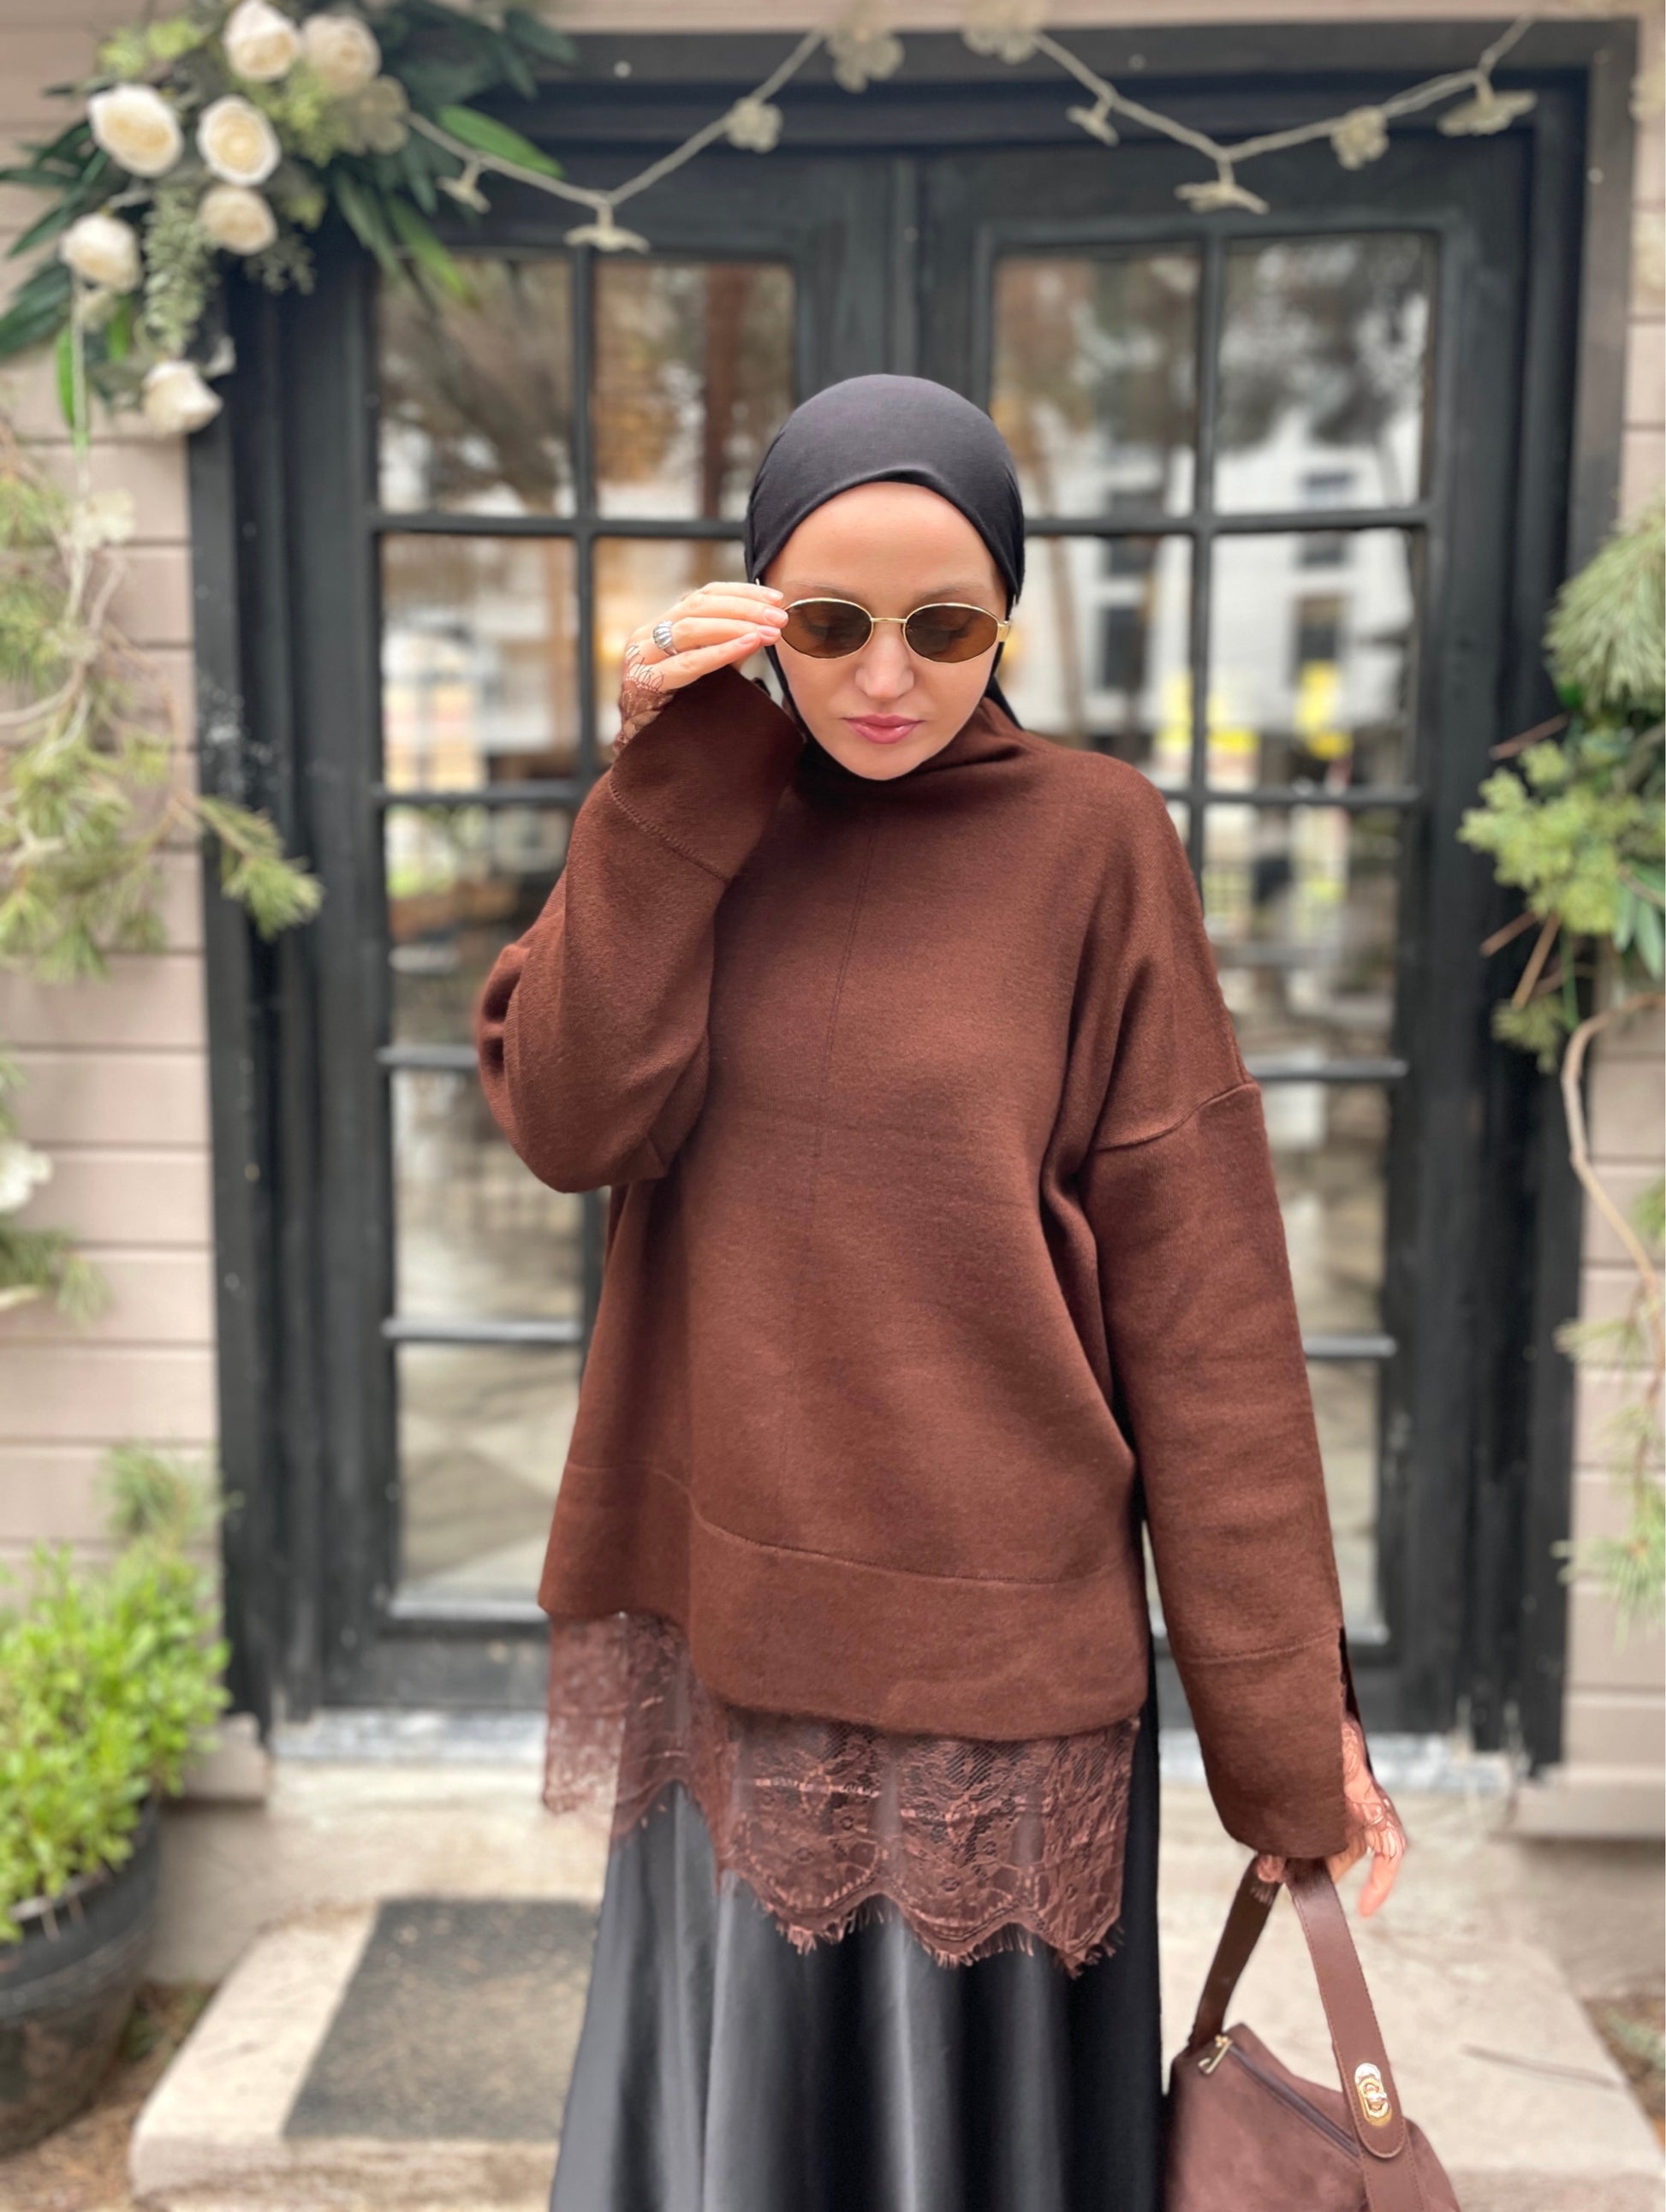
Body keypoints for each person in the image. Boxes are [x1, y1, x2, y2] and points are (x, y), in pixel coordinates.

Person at [475, 374, 1407, 2212]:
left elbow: (1204, 1307)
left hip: (1002, 1670)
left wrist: (1289, 1732)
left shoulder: (1095, 842)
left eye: (945, 626)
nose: (886, 676)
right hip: (741, 1642)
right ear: (759, 614)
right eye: (829, 625)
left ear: (1007, 624)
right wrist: (661, 780)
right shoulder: (695, 821)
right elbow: (572, 1117)